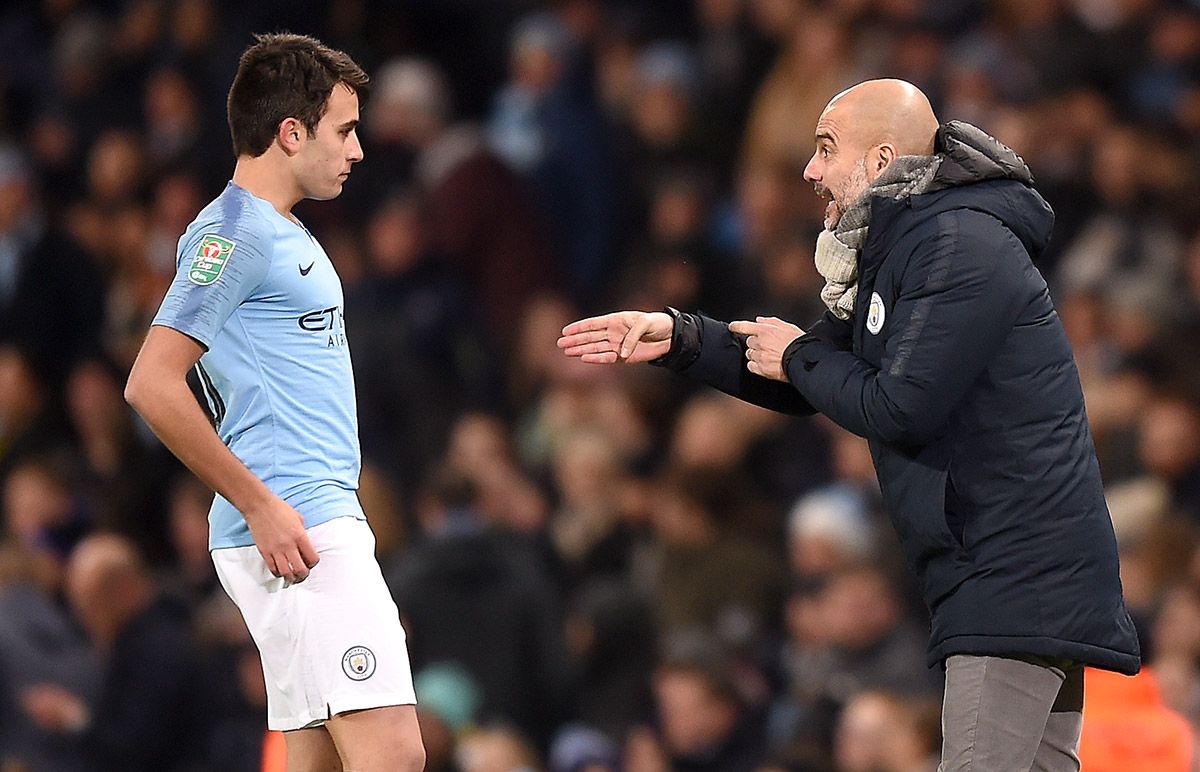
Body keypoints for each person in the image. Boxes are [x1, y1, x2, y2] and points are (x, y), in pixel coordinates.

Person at [558, 79, 1141, 771]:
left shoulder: (958, 241)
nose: (810, 172)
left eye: (826, 150)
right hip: (1012, 570)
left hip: (1014, 575)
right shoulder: (914, 242)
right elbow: (808, 375)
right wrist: (682, 337)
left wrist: (799, 356)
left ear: (880, 160)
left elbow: (898, 404)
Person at [124, 33, 425, 772]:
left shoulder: (280, 230)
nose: (357, 151)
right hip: (297, 524)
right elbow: (151, 382)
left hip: (304, 520)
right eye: (345, 130)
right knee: (393, 756)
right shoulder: (234, 235)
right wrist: (259, 504)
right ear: (291, 132)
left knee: (316, 761)